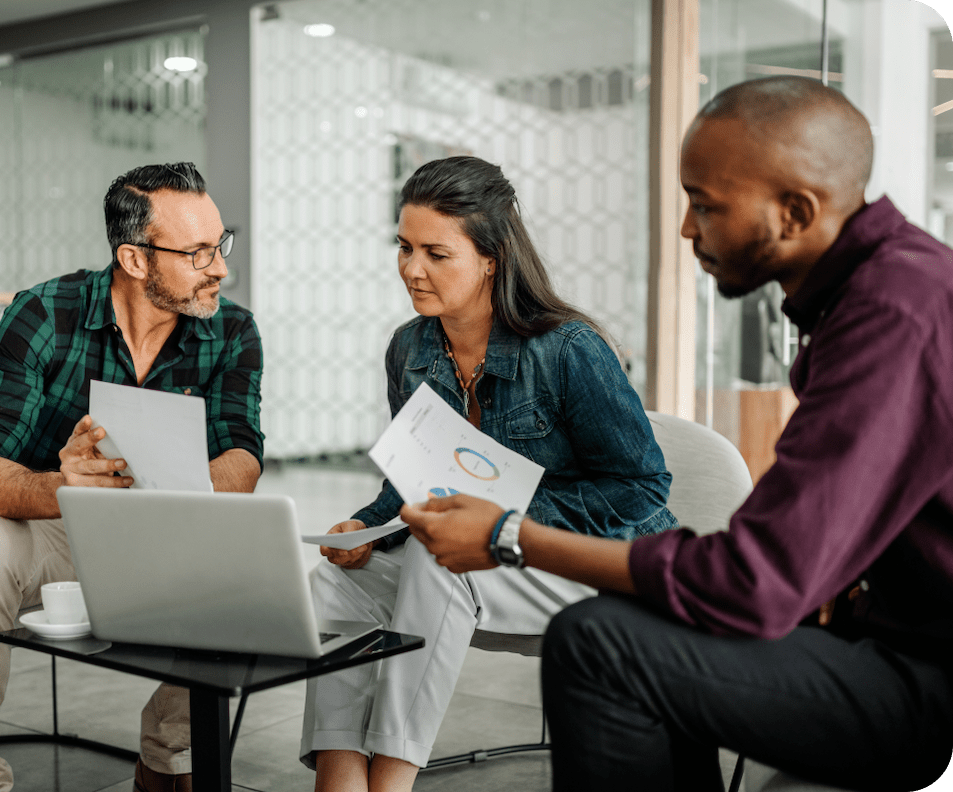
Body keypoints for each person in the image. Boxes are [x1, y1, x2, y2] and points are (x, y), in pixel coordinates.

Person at [400, 76, 953, 792]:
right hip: (876, 630)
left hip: (923, 676)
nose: (688, 230)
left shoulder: (893, 316)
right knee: (636, 612)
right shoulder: (878, 293)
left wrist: (511, 535)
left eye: (704, 205)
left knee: (595, 644)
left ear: (795, 213)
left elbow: (753, 582)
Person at [300, 155, 679, 791]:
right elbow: (411, 479)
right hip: (493, 561)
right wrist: (367, 524)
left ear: (491, 257)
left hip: (592, 565)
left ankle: (392, 781)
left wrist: (504, 517)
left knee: (437, 561)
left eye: (435, 253)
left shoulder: (567, 349)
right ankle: (340, 782)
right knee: (341, 585)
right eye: (404, 247)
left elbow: (641, 488)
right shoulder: (410, 349)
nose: (411, 269)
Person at [0, 162, 263, 792]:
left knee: (243, 558)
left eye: (221, 245)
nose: (220, 267)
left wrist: (185, 493)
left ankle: (168, 761)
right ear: (135, 259)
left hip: (163, 531)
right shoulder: (43, 314)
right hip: (53, 529)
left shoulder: (232, 330)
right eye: (198, 253)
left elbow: (242, 454)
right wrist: (60, 486)